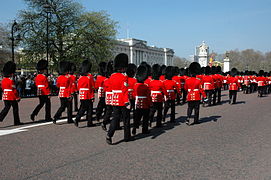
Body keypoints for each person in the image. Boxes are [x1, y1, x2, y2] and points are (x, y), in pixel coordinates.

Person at [106, 53, 131, 145]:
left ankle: (109, 134)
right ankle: (127, 137)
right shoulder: (124, 77)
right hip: (122, 100)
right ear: (123, 67)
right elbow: (124, 91)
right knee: (126, 118)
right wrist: (127, 102)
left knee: (115, 118)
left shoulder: (111, 76)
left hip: (114, 99)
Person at [74, 60, 95, 127]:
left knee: (83, 107)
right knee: (89, 109)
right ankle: (81, 120)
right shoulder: (89, 77)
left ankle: (88, 121)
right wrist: (92, 96)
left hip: (82, 94)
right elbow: (92, 87)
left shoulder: (80, 77)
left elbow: (78, 86)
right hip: (88, 94)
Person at [0, 61, 22, 125]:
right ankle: (16, 121)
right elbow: (14, 90)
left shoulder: (3, 81)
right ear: (11, 73)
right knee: (15, 108)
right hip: (11, 96)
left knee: (6, 108)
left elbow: (2, 88)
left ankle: (0, 117)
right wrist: (17, 97)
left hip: (5, 95)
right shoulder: (10, 81)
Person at [132, 65, 152, 135]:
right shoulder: (146, 86)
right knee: (145, 118)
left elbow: (133, 95)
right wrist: (150, 104)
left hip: (137, 103)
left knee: (137, 117)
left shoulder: (135, 85)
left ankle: (134, 128)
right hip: (145, 104)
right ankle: (144, 130)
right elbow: (148, 96)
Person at [101, 61, 114, 131]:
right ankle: (105, 122)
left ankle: (105, 121)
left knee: (109, 110)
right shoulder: (112, 79)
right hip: (112, 95)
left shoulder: (105, 80)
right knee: (113, 111)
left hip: (107, 95)